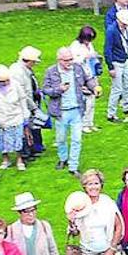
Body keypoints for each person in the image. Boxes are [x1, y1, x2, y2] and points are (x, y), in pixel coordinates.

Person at [42, 46, 97, 176]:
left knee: (76, 139)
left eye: (71, 59)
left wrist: (94, 87)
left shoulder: (78, 68)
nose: (69, 62)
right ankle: (63, 158)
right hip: (61, 112)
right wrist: (58, 89)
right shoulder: (51, 71)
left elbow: (88, 80)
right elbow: (45, 90)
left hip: (77, 110)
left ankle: (73, 166)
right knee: (61, 139)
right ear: (59, 60)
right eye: (66, 60)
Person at [0, 65, 31, 171]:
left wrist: (25, 115)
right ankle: (5, 159)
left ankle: (19, 159)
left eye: (6, 80)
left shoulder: (16, 85)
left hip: (15, 116)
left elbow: (22, 100)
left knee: (18, 138)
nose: (5, 83)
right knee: (1, 139)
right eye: (2, 81)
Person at [104, 9, 128, 123]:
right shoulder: (111, 30)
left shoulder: (125, 29)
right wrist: (110, 67)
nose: (126, 25)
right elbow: (107, 49)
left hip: (125, 59)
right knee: (117, 88)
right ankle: (111, 114)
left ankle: (127, 107)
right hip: (116, 62)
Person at [69, 25, 103, 133]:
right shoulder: (75, 46)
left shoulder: (89, 45)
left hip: (91, 73)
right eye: (87, 40)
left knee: (93, 99)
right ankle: (83, 124)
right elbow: (73, 61)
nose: (88, 42)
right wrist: (85, 57)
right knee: (86, 101)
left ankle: (90, 122)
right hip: (82, 75)